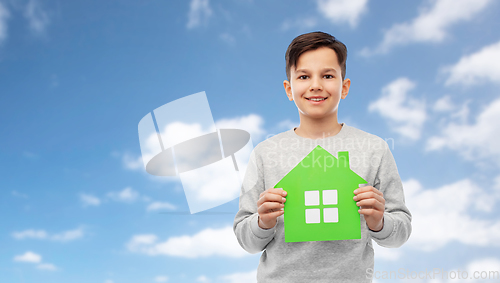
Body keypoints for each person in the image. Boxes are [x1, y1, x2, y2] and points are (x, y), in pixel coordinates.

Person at [233, 31, 412, 282]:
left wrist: (379, 221)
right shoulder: (265, 153)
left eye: (327, 75)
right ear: (289, 88)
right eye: (304, 76)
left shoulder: (374, 149)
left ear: (344, 86)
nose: (316, 84)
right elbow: (246, 240)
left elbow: (401, 232)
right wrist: (262, 222)